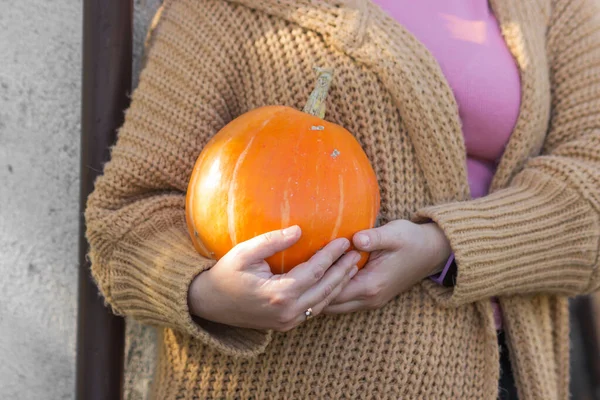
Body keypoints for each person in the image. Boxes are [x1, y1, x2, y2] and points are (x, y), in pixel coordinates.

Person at [85, 0, 600, 398]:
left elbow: (592, 183)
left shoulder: (557, 8)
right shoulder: (226, 10)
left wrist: (443, 247)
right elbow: (127, 220)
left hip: (504, 374)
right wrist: (206, 293)